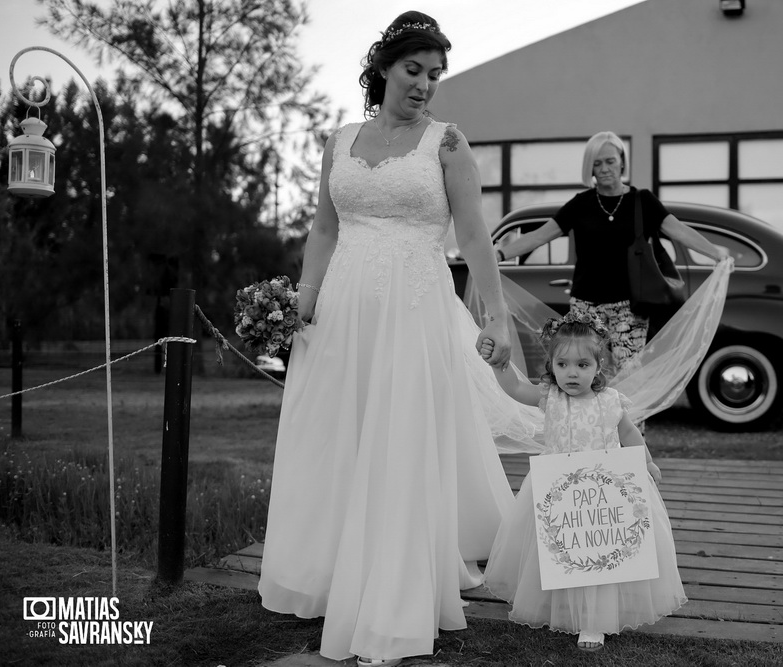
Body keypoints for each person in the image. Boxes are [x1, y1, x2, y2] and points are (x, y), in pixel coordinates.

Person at [257, 12, 515, 666]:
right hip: (342, 310)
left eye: (435, 74)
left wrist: (496, 315)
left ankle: (396, 590)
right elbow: (323, 229)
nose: (426, 84)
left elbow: (476, 234)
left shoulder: (448, 144)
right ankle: (333, 571)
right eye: (414, 70)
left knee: (398, 439)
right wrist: (302, 301)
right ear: (382, 69)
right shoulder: (339, 140)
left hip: (412, 307)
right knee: (338, 434)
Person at [480, 313, 686, 652]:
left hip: (603, 493)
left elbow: (629, 433)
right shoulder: (550, 397)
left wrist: (646, 461)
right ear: (551, 365)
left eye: (582, 364)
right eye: (562, 364)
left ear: (598, 365)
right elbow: (515, 389)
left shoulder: (610, 401)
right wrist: (498, 365)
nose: (571, 373)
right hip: (561, 491)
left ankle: (594, 621)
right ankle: (559, 604)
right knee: (562, 549)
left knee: (598, 553)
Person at [493, 131, 727, 372]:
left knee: (628, 374)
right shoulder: (580, 204)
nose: (604, 168)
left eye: (610, 161)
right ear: (590, 169)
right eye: (597, 163)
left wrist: (714, 252)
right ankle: (591, 412)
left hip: (630, 308)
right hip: (585, 307)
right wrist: (499, 255)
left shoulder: (642, 201)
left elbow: (679, 230)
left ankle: (625, 412)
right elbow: (539, 236)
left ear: (622, 162)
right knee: (587, 372)